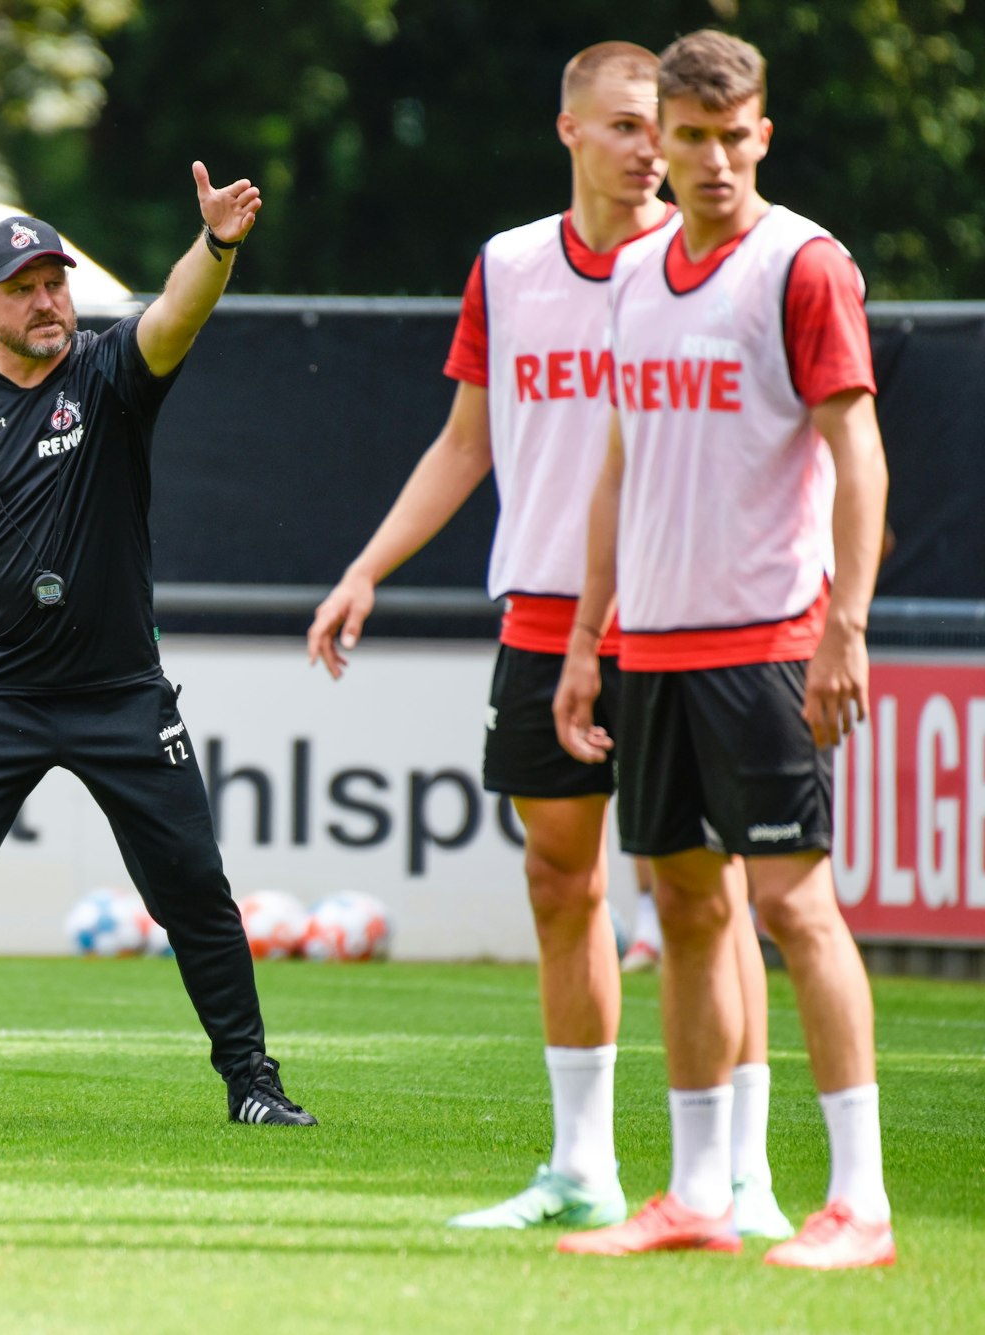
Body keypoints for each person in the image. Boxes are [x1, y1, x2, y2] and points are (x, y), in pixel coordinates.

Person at [307, 41, 788, 1236]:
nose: (647, 149)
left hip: (682, 616)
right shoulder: (509, 265)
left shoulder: (710, 267)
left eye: (657, 127)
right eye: (626, 125)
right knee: (556, 880)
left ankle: (742, 1176)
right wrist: (367, 566)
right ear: (568, 130)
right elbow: (466, 440)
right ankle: (579, 1166)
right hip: (536, 613)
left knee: (701, 894)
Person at [0, 177, 318, 1130]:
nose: (47, 299)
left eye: (55, 280)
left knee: (194, 889)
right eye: (23, 286)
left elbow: (175, 314)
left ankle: (253, 1085)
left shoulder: (108, 375)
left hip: (119, 695)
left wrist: (215, 244)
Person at [553, 30, 894, 1269]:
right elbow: (616, 461)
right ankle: (695, 1194)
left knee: (794, 906)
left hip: (764, 641)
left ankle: (857, 1203)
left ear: (761, 132)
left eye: (724, 134)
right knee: (684, 906)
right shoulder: (638, 277)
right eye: (679, 134)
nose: (700, 158)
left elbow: (855, 453)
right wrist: (588, 634)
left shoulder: (802, 265)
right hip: (647, 645)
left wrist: (842, 625)